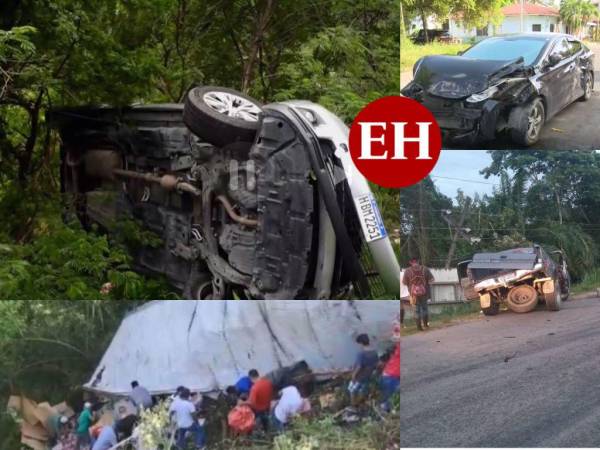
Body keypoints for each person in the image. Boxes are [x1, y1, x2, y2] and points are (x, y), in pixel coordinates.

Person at [402, 257, 434, 331]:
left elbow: (404, 282)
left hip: (413, 294)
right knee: (424, 308)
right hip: (424, 293)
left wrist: (412, 285)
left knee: (416, 310)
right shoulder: (425, 269)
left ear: (410, 262)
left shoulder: (407, 271)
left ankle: (419, 327)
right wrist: (424, 284)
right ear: (418, 261)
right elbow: (432, 279)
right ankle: (426, 325)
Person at [348, 334, 379, 405]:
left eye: (359, 344)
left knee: (352, 390)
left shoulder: (361, 353)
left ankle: (353, 405)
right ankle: (359, 403)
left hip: (360, 376)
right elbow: (376, 364)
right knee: (362, 389)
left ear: (361, 343)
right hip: (368, 375)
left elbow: (359, 366)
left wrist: (353, 375)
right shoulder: (374, 352)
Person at [380, 343, 400, 412]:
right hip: (390, 375)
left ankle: (386, 407)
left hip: (390, 375)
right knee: (390, 392)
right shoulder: (395, 354)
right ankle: (386, 407)